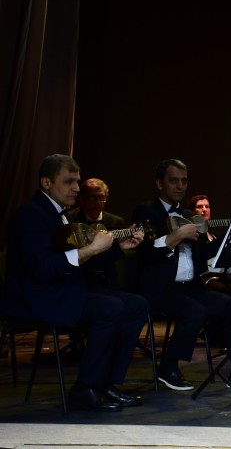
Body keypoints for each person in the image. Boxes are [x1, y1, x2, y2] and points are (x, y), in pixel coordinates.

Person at [3, 154, 148, 411]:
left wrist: (119, 247)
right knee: (111, 308)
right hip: (38, 296)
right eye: (68, 181)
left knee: (137, 305)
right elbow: (42, 267)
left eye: (77, 182)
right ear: (46, 182)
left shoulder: (61, 214)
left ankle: (106, 383)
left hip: (62, 288)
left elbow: (78, 261)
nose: (76, 188)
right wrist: (91, 249)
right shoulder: (30, 215)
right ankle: (85, 388)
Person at [131, 159, 231, 391]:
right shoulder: (146, 211)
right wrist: (177, 236)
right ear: (159, 184)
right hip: (160, 288)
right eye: (173, 181)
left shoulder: (188, 214)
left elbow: (203, 253)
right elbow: (145, 254)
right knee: (196, 312)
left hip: (189, 287)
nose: (180, 186)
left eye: (184, 181)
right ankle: (168, 367)